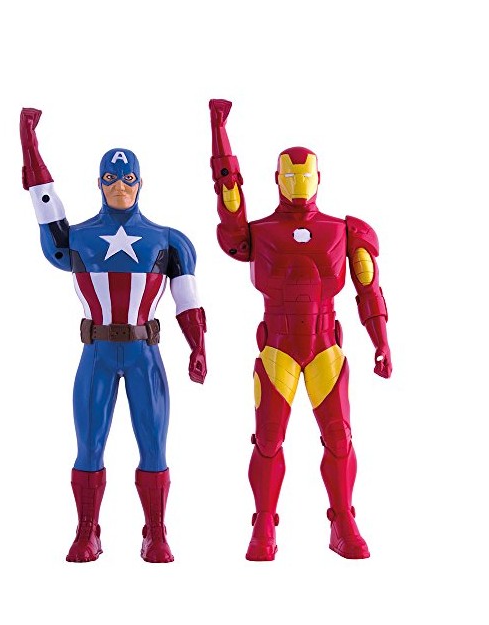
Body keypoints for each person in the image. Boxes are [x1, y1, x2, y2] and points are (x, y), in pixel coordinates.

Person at [208, 99, 392, 561]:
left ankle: (343, 520)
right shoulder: (261, 232)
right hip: (279, 349)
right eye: (290, 176)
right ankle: (264, 523)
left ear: (318, 177)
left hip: (324, 346)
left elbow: (369, 288)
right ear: (277, 179)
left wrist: (382, 342)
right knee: (268, 440)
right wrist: (219, 135)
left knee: (339, 437)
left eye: (304, 175)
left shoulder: (343, 230)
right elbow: (231, 211)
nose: (298, 182)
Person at [20, 108, 206, 563]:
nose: (120, 186)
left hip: (145, 354)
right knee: (89, 445)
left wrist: (199, 347)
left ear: (140, 183)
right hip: (98, 352)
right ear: (98, 184)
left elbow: (188, 301)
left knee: (154, 444)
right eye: (110, 178)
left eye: (128, 179)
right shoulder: (78, 239)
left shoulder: (169, 240)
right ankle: (87, 530)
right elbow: (46, 209)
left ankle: (156, 531)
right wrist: (29, 143)